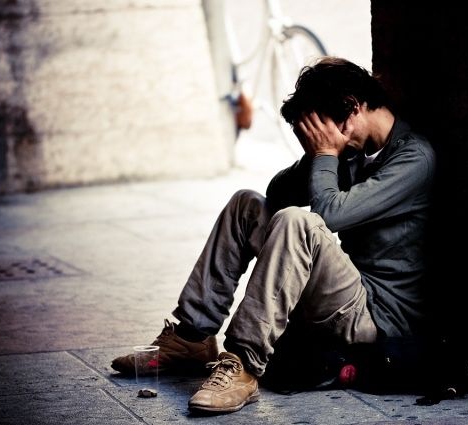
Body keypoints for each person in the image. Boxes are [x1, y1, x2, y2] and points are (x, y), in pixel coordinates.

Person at [111, 56, 436, 413]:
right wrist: (318, 155)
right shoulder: (353, 151)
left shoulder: (414, 158)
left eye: (321, 128)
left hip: (378, 315)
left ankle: (244, 364)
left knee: (298, 222)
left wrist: (325, 153)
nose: (321, 142)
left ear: (352, 108)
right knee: (246, 205)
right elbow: (277, 192)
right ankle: (191, 337)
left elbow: (329, 215)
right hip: (343, 294)